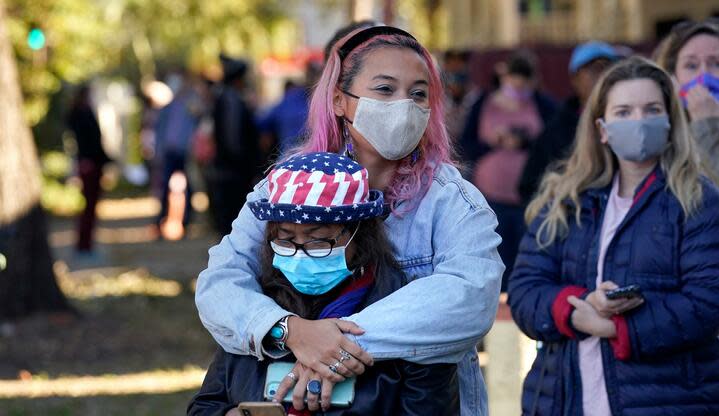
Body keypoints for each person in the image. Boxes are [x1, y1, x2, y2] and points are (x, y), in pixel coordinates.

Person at [195, 25, 504, 416]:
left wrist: (330, 346)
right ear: (340, 100)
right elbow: (220, 283)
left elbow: (470, 296)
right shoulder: (283, 186)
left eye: (419, 93)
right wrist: (290, 332)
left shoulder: (451, 200)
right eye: (385, 89)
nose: (404, 105)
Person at [508, 56, 719, 415]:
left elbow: (708, 304)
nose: (639, 121)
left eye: (651, 109)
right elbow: (524, 291)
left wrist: (618, 328)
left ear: (669, 120)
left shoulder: (700, 201)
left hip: (668, 401)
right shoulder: (565, 200)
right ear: (602, 128)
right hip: (565, 399)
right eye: (624, 112)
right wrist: (580, 309)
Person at [188, 152, 459, 416]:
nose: (299, 252)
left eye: (318, 240)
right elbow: (206, 404)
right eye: (285, 239)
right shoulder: (254, 306)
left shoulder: (408, 315)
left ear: (359, 235)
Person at [654, 18, 719, 415]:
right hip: (669, 338)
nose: (704, 77)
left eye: (716, 63)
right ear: (672, 78)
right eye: (691, 66)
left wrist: (709, 127)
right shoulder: (656, 142)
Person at [460, 50, 556, 291]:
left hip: (531, 199)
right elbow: (465, 145)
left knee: (527, 259)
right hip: (489, 199)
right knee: (494, 259)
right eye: (514, 80)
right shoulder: (484, 102)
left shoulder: (542, 104)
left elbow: (554, 144)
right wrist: (494, 142)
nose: (518, 87)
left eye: (524, 83)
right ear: (504, 76)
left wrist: (525, 143)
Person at [518, 41, 621, 203]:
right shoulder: (557, 128)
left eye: (608, 68)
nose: (602, 76)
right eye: (594, 69)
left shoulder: (625, 122)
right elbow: (530, 186)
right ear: (575, 78)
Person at [208, 54, 262, 236]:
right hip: (234, 171)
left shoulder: (226, 97)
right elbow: (233, 140)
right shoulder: (231, 100)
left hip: (231, 169)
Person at [153, 72, 203, 239]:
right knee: (165, 187)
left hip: (186, 152)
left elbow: (199, 120)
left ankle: (186, 222)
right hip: (170, 151)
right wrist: (158, 151)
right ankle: (161, 221)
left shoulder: (191, 104)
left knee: (189, 188)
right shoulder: (167, 108)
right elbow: (160, 131)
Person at [67, 84, 110, 255]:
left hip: (93, 162)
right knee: (89, 205)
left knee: (91, 206)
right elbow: (87, 141)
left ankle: (86, 243)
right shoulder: (80, 114)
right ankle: (84, 244)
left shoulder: (83, 112)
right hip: (89, 164)